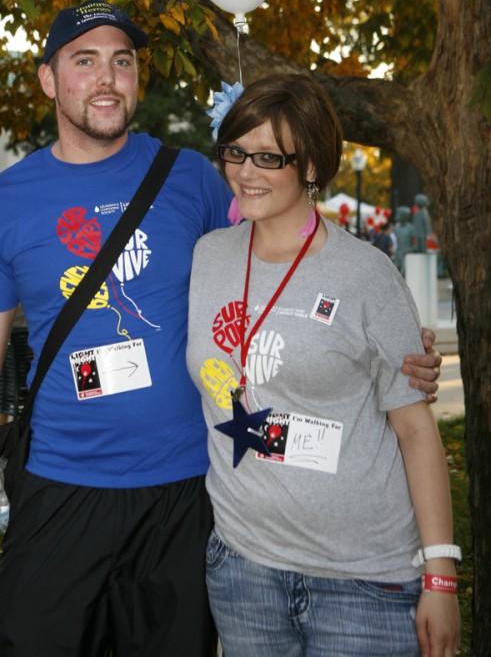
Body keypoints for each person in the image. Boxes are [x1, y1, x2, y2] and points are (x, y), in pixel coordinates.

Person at [0, 2, 441, 656]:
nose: (107, 78)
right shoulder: (4, 200)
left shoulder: (192, 178)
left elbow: (285, 258)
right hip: (59, 493)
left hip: (186, 501)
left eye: (122, 60)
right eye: (84, 61)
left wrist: (395, 345)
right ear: (48, 79)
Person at [187, 73, 460, 657]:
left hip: (363, 583)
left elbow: (415, 431)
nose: (245, 171)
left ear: (310, 165)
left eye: (268, 156)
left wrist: (440, 574)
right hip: (244, 571)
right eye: (235, 151)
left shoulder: (365, 274)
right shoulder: (208, 257)